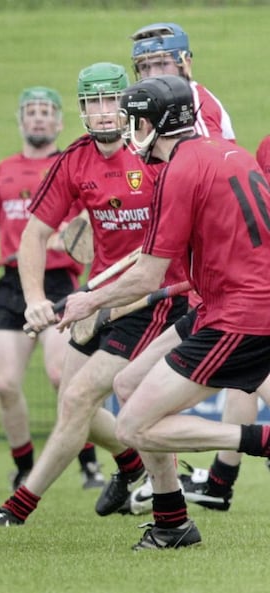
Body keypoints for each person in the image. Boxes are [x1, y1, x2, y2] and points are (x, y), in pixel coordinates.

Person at [58, 74, 270, 549]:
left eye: (135, 122)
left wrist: (89, 300)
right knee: (126, 383)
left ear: (156, 123)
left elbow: (145, 278)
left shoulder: (180, 171)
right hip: (224, 302)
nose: (130, 132)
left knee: (134, 425)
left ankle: (260, 441)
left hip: (241, 313)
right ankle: (172, 522)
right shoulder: (226, 151)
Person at [0, 62, 189, 528]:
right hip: (103, 297)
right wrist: (34, 296)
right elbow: (34, 235)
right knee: (72, 404)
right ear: (82, 110)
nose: (102, 112)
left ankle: (19, 506)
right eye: (92, 103)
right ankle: (132, 463)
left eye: (111, 100)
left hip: (153, 299)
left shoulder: (156, 156)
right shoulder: (74, 160)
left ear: (128, 104)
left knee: (77, 399)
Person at [128, 21, 254, 511]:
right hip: (206, 272)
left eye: (162, 64)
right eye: (145, 67)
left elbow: (198, 181)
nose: (154, 75)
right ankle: (188, 497)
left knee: (252, 370)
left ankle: (179, 503)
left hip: (224, 273)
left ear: (185, 63)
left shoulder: (196, 111)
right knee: (131, 384)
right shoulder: (149, 112)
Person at [0, 86, 104, 491]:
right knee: (4, 384)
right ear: (20, 120)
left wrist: (60, 241)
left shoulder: (72, 165)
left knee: (60, 375)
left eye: (47, 111)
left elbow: (89, 229)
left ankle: (90, 465)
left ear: (60, 122)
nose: (39, 118)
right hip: (13, 283)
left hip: (58, 282)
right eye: (31, 111)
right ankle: (24, 466)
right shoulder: (4, 170)